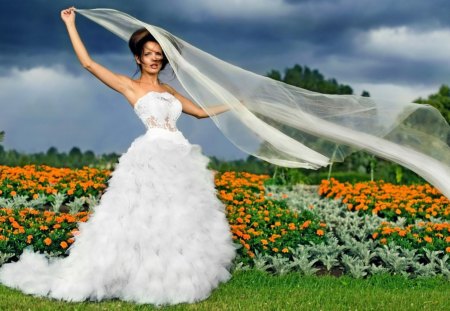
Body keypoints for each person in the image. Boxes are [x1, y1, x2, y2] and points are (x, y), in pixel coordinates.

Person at [0, 7, 237, 306]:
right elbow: (87, 63)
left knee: (176, 219)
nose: (154, 58)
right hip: (151, 156)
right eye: (148, 53)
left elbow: (201, 113)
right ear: (138, 58)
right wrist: (70, 23)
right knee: (137, 219)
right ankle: (128, 275)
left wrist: (236, 104)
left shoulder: (169, 91)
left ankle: (171, 277)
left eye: (158, 54)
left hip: (180, 157)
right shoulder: (130, 86)